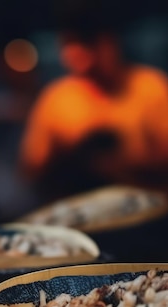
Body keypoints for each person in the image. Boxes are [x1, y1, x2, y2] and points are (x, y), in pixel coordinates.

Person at [19, 0, 168, 197]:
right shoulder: (57, 98)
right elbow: (30, 170)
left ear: (112, 41)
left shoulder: (149, 87)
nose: (78, 56)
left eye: (88, 42)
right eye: (68, 43)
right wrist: (72, 159)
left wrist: (119, 164)